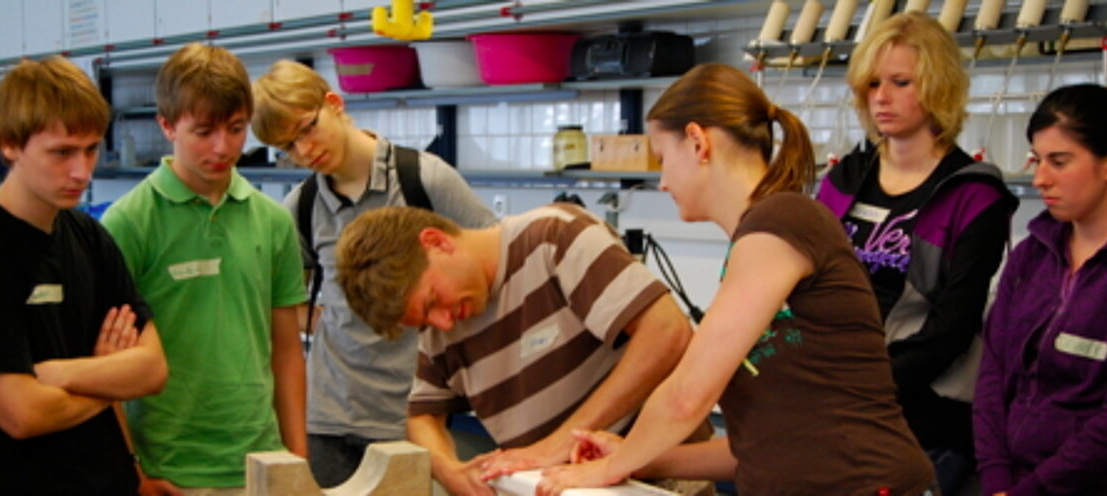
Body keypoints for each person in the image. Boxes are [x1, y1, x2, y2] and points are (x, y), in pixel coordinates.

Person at [537, 63, 936, 496]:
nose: (664, 182)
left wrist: (603, 472)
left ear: (697, 141)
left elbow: (687, 396)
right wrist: (632, 458)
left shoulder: (783, 220)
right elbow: (760, 447)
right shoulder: (756, 241)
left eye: (663, 157)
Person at [335, 202, 700, 495]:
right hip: (555, 486)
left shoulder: (555, 237)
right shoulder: (442, 330)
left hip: (656, 476)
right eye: (426, 320)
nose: (443, 322)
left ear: (436, 242)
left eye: (433, 301)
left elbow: (667, 331)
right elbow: (421, 415)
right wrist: (449, 471)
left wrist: (555, 446)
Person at [250, 59, 495, 487]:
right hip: (328, 417)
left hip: (415, 415)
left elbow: (495, 267)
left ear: (334, 103)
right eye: (289, 147)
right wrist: (337, 321)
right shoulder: (302, 207)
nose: (304, 151)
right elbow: (285, 307)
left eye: (307, 128)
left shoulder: (424, 180)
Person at [0, 56, 167, 494]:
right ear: (10, 145)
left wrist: (50, 374)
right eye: (61, 152)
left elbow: (152, 370)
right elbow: (24, 416)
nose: (82, 171)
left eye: (91, 149)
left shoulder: (88, 236)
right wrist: (108, 375)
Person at [816, 13, 1017, 494]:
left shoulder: (974, 194)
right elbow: (803, 290)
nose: (881, 97)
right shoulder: (843, 181)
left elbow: (953, 324)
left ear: (937, 86)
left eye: (900, 82)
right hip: (834, 397)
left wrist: (865, 386)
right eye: (872, 83)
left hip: (923, 414)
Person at [101, 43, 309, 493]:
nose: (223, 147)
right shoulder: (128, 223)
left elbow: (287, 350)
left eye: (236, 129)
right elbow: (106, 365)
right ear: (167, 125)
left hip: (260, 460)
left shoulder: (272, 221)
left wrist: (296, 461)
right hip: (171, 469)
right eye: (204, 131)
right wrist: (132, 471)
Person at [974, 83, 1107, 496]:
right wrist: (996, 477)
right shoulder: (1030, 256)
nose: (1040, 178)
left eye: (1059, 161)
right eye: (1037, 160)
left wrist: (1032, 490)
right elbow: (993, 373)